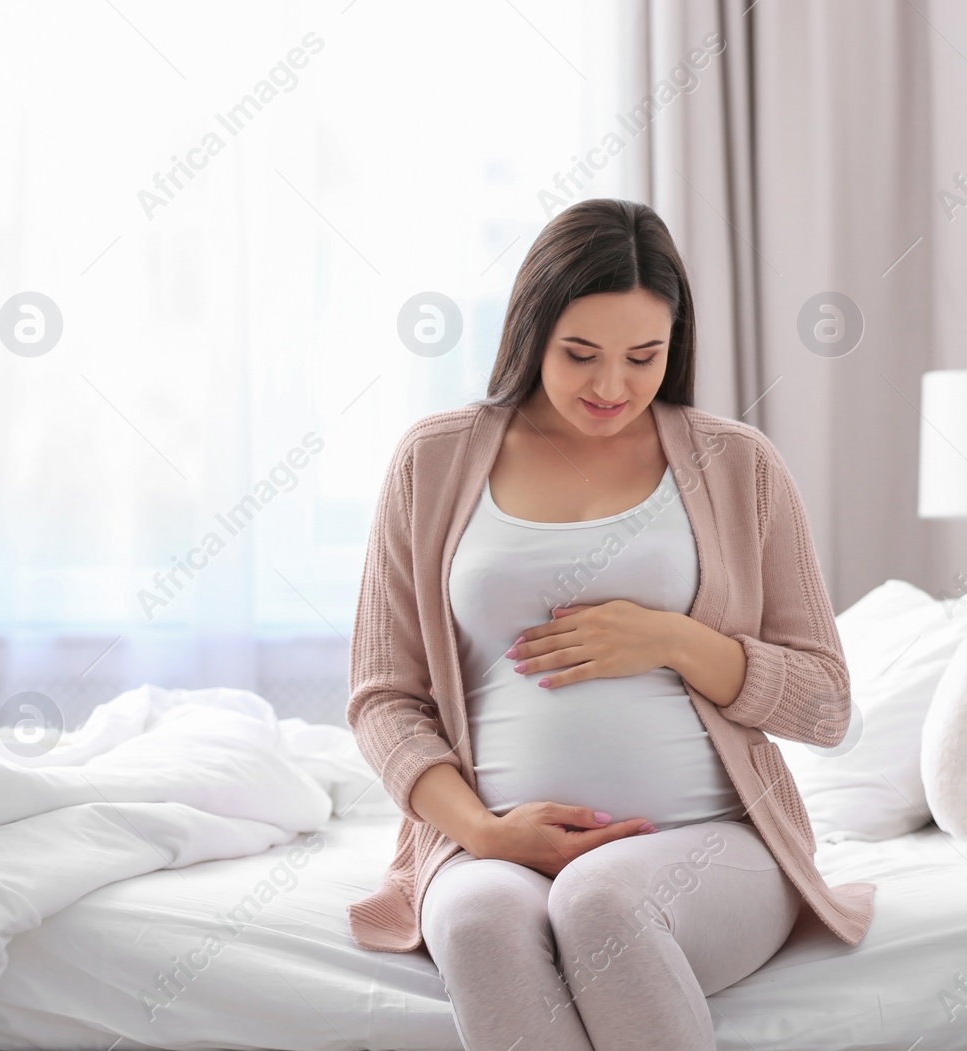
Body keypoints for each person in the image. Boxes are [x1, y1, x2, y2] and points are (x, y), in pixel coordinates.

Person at [346, 197, 873, 1051]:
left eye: (643, 357)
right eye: (580, 354)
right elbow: (382, 699)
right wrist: (484, 831)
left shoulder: (737, 463)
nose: (611, 387)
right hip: (488, 845)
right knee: (482, 924)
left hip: (710, 841)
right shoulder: (434, 460)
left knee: (600, 906)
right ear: (529, 334)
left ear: (677, 346)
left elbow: (825, 704)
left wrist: (673, 638)